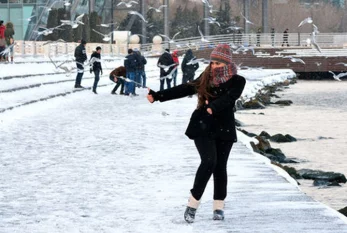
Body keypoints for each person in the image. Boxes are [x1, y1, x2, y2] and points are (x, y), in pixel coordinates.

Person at [146, 44, 246, 223]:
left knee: (220, 166)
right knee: (209, 161)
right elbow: (185, 88)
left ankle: (218, 207)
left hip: (224, 127)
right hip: (203, 126)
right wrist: (158, 96)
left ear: (227, 63)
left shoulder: (238, 81)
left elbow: (229, 98)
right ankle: (192, 205)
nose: (214, 66)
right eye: (212, 62)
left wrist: (213, 107)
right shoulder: (205, 77)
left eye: (218, 63)